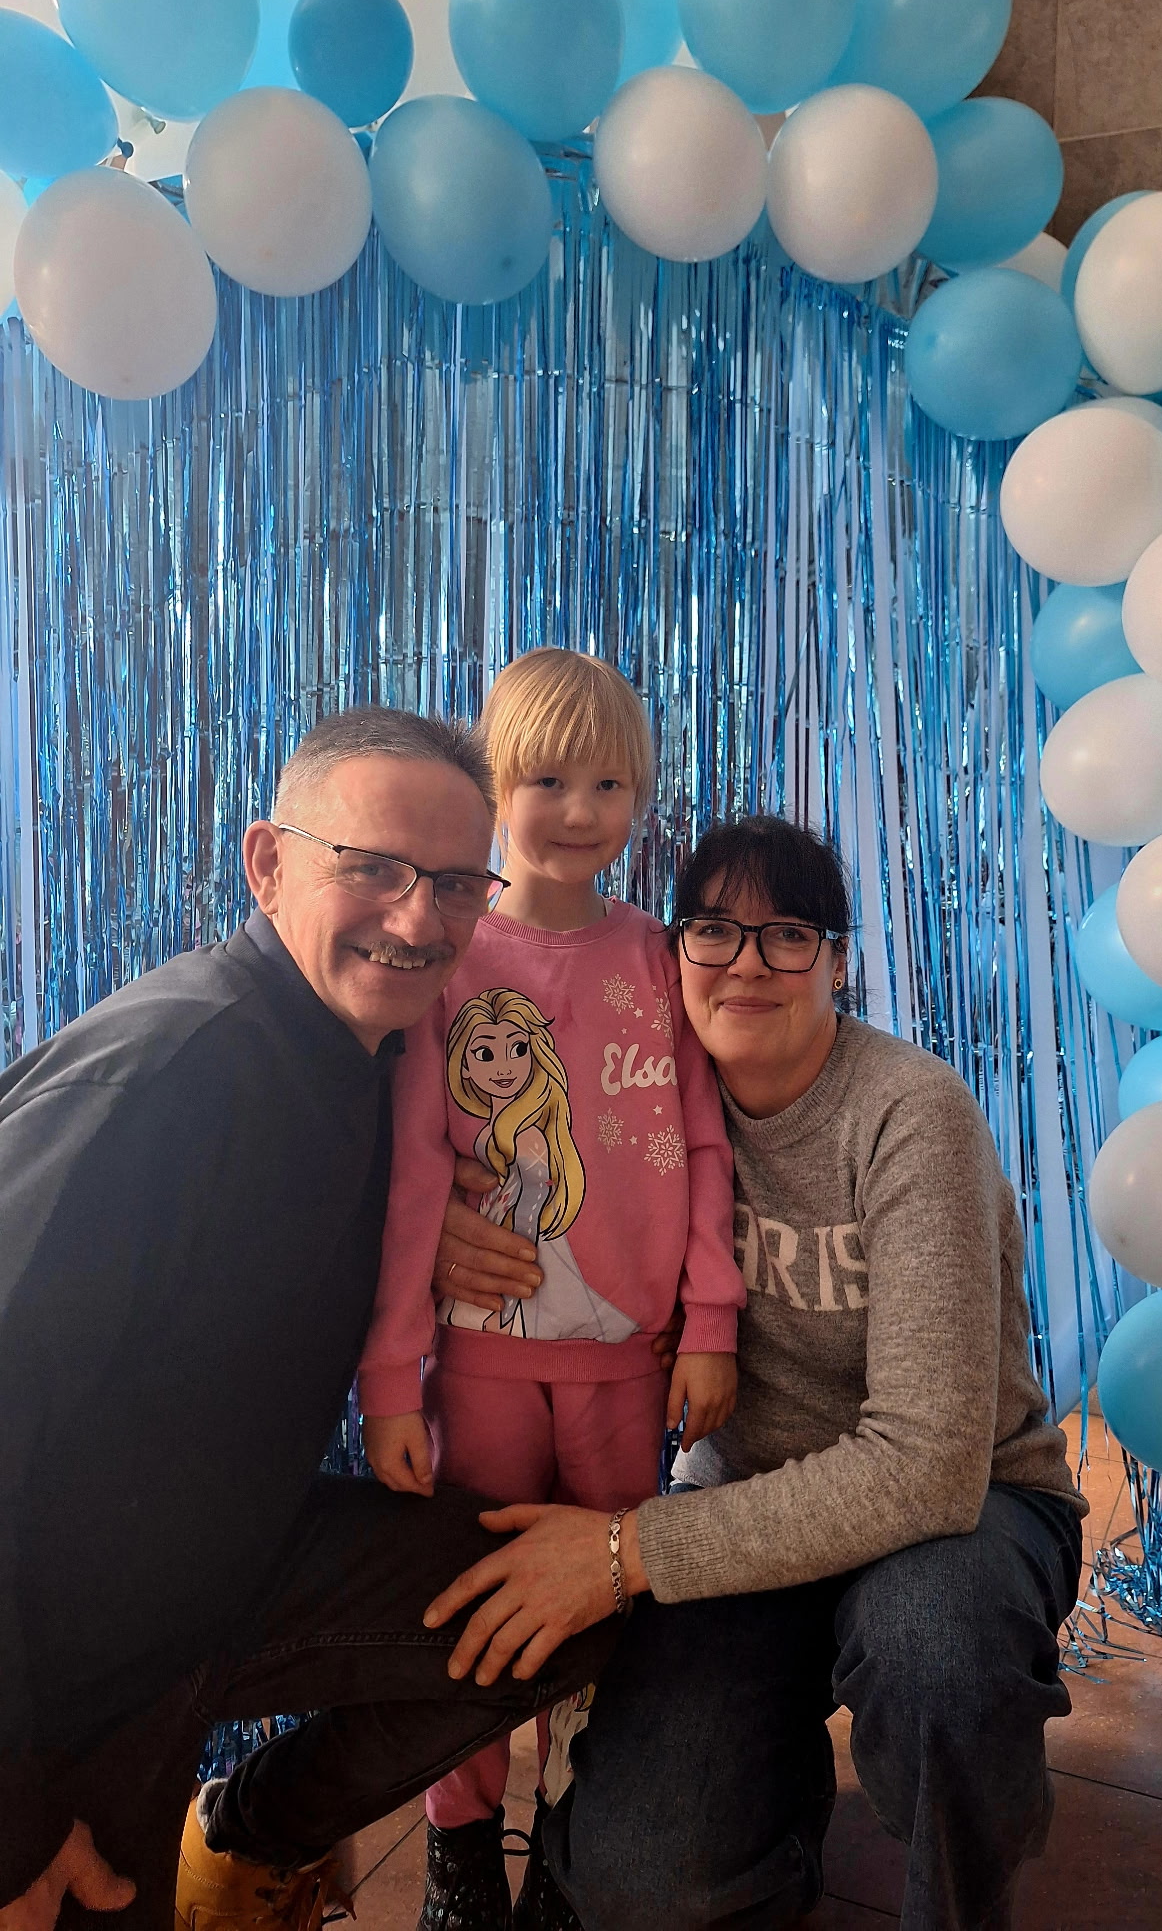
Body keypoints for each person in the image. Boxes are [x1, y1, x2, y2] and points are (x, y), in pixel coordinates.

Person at [0, 707, 621, 1931]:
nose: (417, 918)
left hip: (240, 1559)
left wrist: (425, 1233)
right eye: (373, 867)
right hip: (65, 1660)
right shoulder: (166, 1075)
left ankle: (250, 1830)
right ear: (268, 863)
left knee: (562, 1605)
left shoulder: (380, 1054)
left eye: (455, 883)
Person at [422, 815, 1088, 1931]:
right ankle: (772, 1811)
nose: (746, 964)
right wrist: (437, 1226)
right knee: (639, 1880)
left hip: (964, 1512)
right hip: (747, 1499)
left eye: (788, 934)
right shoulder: (640, 1104)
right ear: (672, 952)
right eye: (714, 931)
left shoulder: (909, 1114)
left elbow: (925, 1464)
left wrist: (626, 1552)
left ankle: (962, 1895)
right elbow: (464, 1148)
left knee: (936, 1655)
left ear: (839, 960)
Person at [358, 650, 743, 1929]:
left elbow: (703, 1144)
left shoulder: (660, 958)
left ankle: (575, 1843)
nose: (580, 810)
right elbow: (415, 1177)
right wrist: (391, 1381)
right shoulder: (451, 954)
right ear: (494, 789)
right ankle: (461, 1839)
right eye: (547, 780)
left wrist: (710, 1319)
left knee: (604, 1609)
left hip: (628, 1366)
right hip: (477, 1364)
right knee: (471, 1606)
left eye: (609, 783)